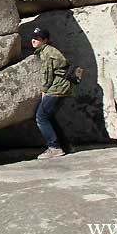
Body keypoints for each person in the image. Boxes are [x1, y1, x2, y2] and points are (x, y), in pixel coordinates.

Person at [31, 27, 73, 159]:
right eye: (33, 37)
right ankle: (65, 146)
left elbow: (47, 74)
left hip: (57, 87)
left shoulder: (47, 52)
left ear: (45, 40)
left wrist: (45, 90)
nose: (33, 40)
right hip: (63, 86)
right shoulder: (47, 50)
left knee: (41, 116)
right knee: (48, 116)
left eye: (37, 38)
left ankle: (54, 147)